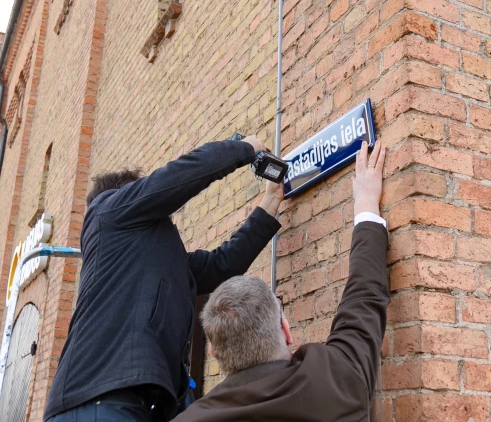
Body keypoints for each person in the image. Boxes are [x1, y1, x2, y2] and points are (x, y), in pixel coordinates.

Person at [44, 137, 284, 422]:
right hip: (97, 399)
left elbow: (223, 264)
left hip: (135, 405)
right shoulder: (106, 211)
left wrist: (271, 200)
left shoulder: (161, 262)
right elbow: (178, 176)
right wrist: (246, 147)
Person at [173, 141, 389, 422]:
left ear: (214, 353)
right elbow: (365, 298)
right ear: (285, 331)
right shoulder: (334, 379)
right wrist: (366, 203)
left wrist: (270, 204)